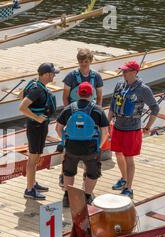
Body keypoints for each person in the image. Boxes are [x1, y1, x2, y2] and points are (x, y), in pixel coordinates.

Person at [108, 61, 160, 199]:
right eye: (123, 71)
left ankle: (128, 188)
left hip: (132, 129)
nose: (123, 73)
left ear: (134, 72)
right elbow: (113, 106)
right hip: (118, 126)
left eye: (126, 71)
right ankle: (123, 178)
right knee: (118, 154)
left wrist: (148, 126)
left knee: (128, 158)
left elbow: (155, 108)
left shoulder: (143, 89)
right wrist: (107, 123)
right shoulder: (119, 85)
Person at [56, 82, 109, 207]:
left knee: (68, 172)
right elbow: (105, 131)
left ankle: (67, 198)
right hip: (90, 149)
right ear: (91, 94)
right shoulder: (97, 110)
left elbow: (58, 128)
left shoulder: (69, 108)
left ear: (78, 93)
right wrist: (99, 146)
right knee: (92, 173)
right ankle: (87, 196)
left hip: (71, 148)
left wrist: (65, 140)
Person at [59, 48, 105, 188]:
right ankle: (63, 174)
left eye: (86, 62)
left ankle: (87, 173)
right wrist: (69, 115)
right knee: (68, 145)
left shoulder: (96, 77)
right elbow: (65, 96)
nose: (83, 64)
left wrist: (98, 115)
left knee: (91, 143)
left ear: (90, 61)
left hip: (91, 115)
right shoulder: (71, 76)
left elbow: (99, 97)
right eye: (81, 62)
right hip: (74, 114)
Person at [19, 63, 59, 200]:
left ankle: (33, 183)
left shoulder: (34, 83)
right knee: (33, 158)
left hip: (38, 126)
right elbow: (22, 107)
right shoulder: (37, 90)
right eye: (53, 73)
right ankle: (29, 189)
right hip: (36, 127)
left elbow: (21, 94)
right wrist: (36, 117)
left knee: (35, 157)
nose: (54, 76)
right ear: (47, 74)